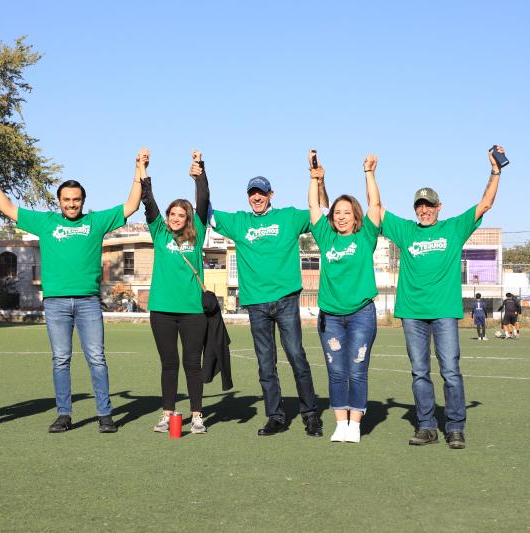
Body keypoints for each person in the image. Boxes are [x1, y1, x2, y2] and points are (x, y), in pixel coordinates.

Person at [0, 151, 143, 434]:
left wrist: (139, 169)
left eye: (76, 199)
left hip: (88, 302)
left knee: (97, 359)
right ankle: (64, 414)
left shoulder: (96, 222)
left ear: (83, 201)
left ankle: (105, 414)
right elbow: (7, 207)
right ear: (59, 201)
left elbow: (131, 205)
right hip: (56, 303)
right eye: (67, 199)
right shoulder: (45, 222)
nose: (71, 204)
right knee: (60, 360)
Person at [379, 145, 504, 449]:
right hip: (412, 312)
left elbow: (485, 204)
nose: (424, 210)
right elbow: (377, 208)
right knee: (419, 372)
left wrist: (495, 171)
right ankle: (426, 427)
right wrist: (370, 174)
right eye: (419, 206)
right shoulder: (405, 230)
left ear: (439, 207)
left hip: (444, 311)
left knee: (450, 370)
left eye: (429, 206)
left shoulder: (454, 228)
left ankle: (455, 427)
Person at [210, 163, 329, 437]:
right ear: (247, 196)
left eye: (261, 193)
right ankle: (275, 416)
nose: (257, 197)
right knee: (265, 363)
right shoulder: (239, 222)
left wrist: (319, 181)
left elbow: (321, 211)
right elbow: (207, 213)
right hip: (256, 303)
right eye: (252, 193)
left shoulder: (288, 217)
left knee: (296, 355)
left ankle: (311, 415)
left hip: (286, 299)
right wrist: (200, 176)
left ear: (270, 194)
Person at [308, 151, 381, 443]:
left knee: (357, 369)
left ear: (355, 216)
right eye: (337, 212)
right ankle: (341, 423)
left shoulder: (366, 237)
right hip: (331, 317)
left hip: (362, 314)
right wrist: (313, 177)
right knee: (336, 370)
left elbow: (375, 205)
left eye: (346, 212)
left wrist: (369, 173)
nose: (340, 217)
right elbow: (313, 205)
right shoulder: (326, 237)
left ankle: (355, 424)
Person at [141, 149, 210, 434]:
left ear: (188, 218)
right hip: (162, 310)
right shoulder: (159, 232)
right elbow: (148, 201)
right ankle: (167, 413)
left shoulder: (199, 232)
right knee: (169, 363)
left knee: (193, 364)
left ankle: (197, 416)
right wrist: (143, 169)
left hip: (193, 310)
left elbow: (204, 199)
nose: (176, 218)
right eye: (172, 214)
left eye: (181, 215)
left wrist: (199, 171)